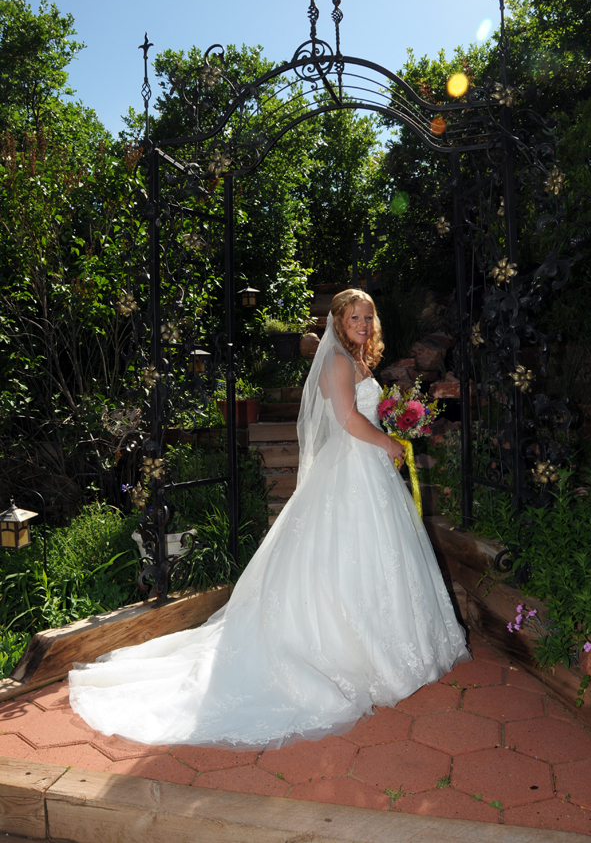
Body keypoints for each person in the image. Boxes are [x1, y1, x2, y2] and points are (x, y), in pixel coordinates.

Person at [69, 289, 470, 749]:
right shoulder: (337, 361)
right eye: (354, 317)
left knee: (380, 556)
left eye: (368, 317)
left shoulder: (358, 361)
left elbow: (363, 414)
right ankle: (348, 652)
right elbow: (346, 419)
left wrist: (390, 426)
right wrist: (389, 442)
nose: (362, 324)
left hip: (367, 466)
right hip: (354, 466)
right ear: (338, 323)